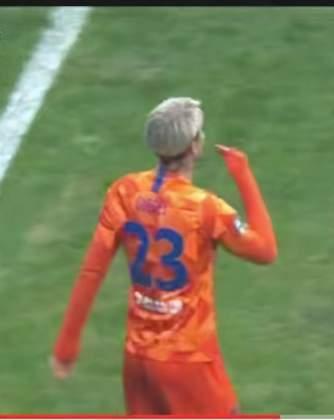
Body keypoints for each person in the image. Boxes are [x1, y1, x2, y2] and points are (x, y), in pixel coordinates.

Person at [50, 97, 278, 416]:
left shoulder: (123, 192)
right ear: (195, 146)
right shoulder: (205, 208)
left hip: (138, 361)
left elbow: (91, 272)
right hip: (190, 361)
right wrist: (242, 173)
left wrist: (66, 346)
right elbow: (266, 251)